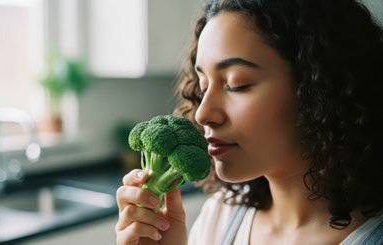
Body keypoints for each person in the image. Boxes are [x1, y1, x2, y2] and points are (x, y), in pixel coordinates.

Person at [115, 0, 383, 244]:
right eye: (202, 86)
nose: (202, 114)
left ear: (320, 87)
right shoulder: (218, 218)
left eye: (237, 85)